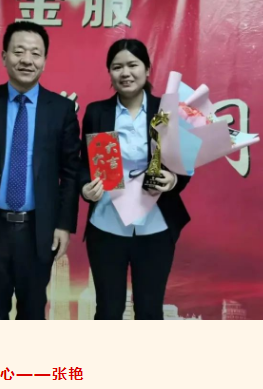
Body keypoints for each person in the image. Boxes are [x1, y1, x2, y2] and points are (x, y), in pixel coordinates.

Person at [0, 21, 81, 320]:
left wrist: (64, 225)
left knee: (33, 313)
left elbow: (71, 172)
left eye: (35, 53)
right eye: (18, 51)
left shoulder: (61, 109)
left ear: (44, 61)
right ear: (4, 57)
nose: (27, 59)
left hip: (37, 230)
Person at [79, 38, 191, 320]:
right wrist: (85, 188)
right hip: (106, 225)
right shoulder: (97, 112)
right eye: (117, 67)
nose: (125, 73)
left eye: (133, 65)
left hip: (155, 226)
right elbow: (83, 163)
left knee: (149, 312)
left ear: (147, 69)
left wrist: (173, 180)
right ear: (109, 72)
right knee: (108, 311)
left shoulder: (166, 111)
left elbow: (183, 162)